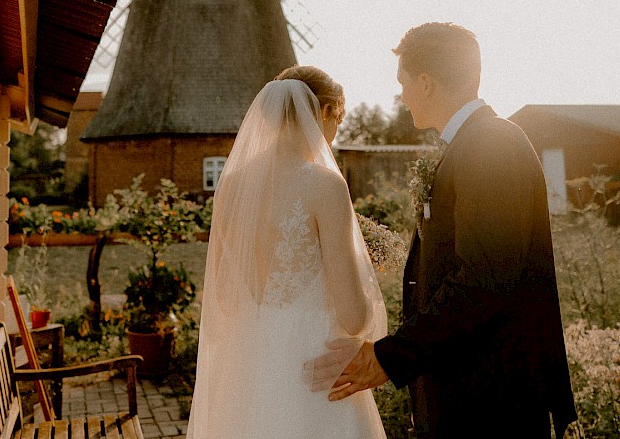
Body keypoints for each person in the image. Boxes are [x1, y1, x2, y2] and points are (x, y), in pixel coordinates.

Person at [307, 23, 577, 437]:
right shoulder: (473, 143)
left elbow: (484, 281)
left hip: (490, 402)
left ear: (427, 82)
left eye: (404, 83)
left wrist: (390, 357)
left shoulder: (491, 145)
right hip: (467, 390)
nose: (401, 96)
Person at [185, 66, 388, 438]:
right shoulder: (324, 185)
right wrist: (361, 269)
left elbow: (224, 300)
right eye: (337, 121)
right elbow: (354, 317)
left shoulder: (229, 187)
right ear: (324, 111)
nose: (332, 134)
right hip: (314, 370)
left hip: (246, 370)